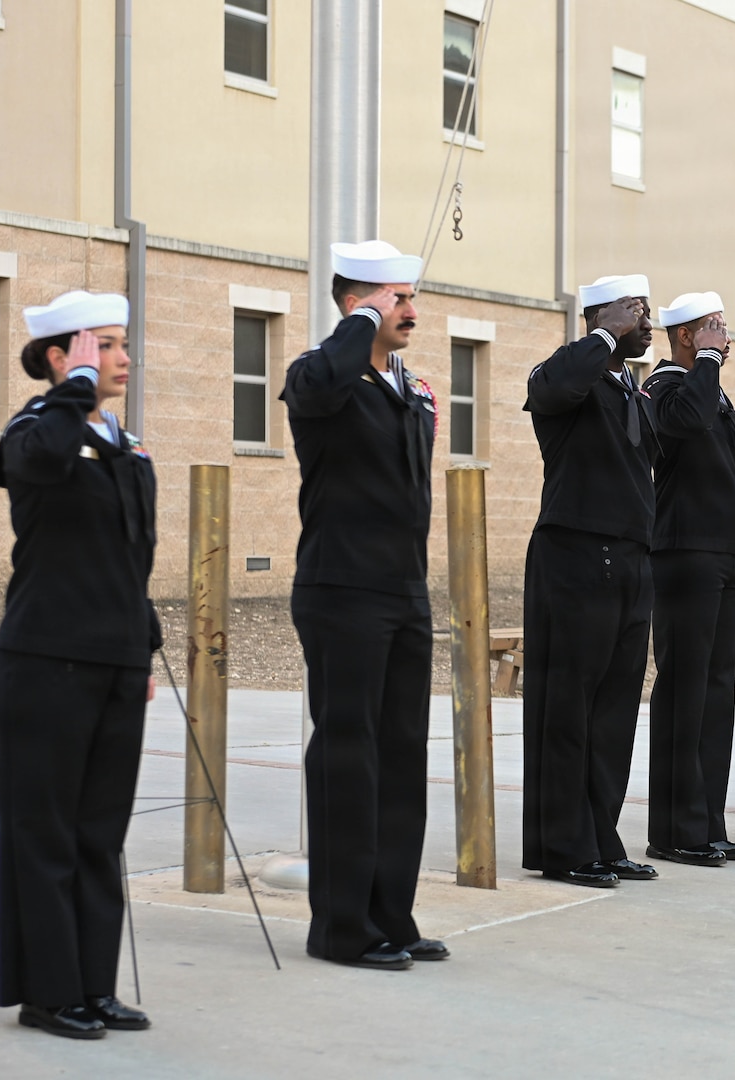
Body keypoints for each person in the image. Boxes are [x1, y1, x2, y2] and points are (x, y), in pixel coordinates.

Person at [0, 290, 157, 1038]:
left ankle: (94, 985)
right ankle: (48, 993)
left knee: (99, 834)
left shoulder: (126, 443)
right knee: (45, 830)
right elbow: (42, 461)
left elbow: (130, 558)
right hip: (45, 660)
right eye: (104, 346)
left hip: (114, 661)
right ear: (60, 358)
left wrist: (138, 648)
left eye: (122, 345)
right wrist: (75, 391)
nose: (123, 358)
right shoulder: (35, 429)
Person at [282, 240, 444, 970]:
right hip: (342, 589)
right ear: (356, 305)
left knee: (402, 757)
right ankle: (341, 928)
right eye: (395, 299)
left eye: (409, 298)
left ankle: (390, 916)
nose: (411, 311)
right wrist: (361, 323)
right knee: (349, 756)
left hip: (404, 587)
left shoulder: (408, 388)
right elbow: (320, 386)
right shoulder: (320, 376)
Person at [521, 275, 659, 887]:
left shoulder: (630, 388)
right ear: (602, 317)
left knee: (613, 715)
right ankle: (564, 845)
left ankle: (601, 837)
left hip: (631, 561)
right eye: (635, 311)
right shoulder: (565, 374)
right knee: (568, 710)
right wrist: (604, 335)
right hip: (576, 557)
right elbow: (554, 388)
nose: (647, 323)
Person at [642, 291, 735, 867]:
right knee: (685, 691)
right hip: (684, 552)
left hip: (722, 555)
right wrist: (705, 362)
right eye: (714, 329)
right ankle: (675, 829)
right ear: (686, 335)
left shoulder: (710, 387)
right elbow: (684, 422)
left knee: (715, 691)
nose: (725, 339)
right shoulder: (664, 385)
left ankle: (707, 820)